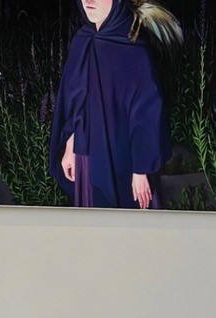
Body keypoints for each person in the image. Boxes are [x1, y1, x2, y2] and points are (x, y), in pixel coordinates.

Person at [50, 0, 182, 209]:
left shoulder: (132, 47)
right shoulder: (81, 41)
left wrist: (141, 170)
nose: (88, 1)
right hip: (87, 157)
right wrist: (70, 146)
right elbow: (76, 103)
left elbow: (146, 114)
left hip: (124, 160)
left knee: (130, 219)